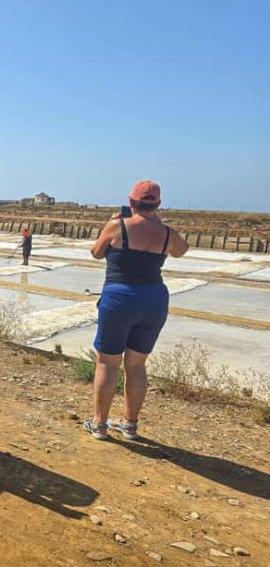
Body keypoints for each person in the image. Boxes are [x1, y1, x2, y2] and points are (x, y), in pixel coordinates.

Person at [83, 181, 189, 441]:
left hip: (120, 297)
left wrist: (112, 223)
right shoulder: (167, 233)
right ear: (158, 205)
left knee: (108, 362)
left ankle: (100, 424)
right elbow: (182, 251)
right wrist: (158, 224)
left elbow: (96, 253)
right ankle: (130, 425)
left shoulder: (118, 227)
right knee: (137, 364)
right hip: (154, 299)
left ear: (131, 203)